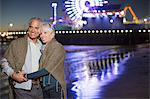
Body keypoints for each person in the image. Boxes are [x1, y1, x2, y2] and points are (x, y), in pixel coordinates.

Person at [0, 17, 43, 99]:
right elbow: (4, 61)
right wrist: (12, 74)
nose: (33, 30)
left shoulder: (42, 46)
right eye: (31, 27)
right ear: (28, 28)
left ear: (40, 30)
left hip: (40, 88)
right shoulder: (16, 43)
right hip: (22, 88)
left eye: (36, 28)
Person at [39, 22, 67, 99]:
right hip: (45, 87)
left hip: (55, 88)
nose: (42, 35)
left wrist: (26, 76)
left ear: (52, 34)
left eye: (45, 33)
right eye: (41, 33)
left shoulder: (58, 47)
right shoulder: (44, 49)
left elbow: (46, 70)